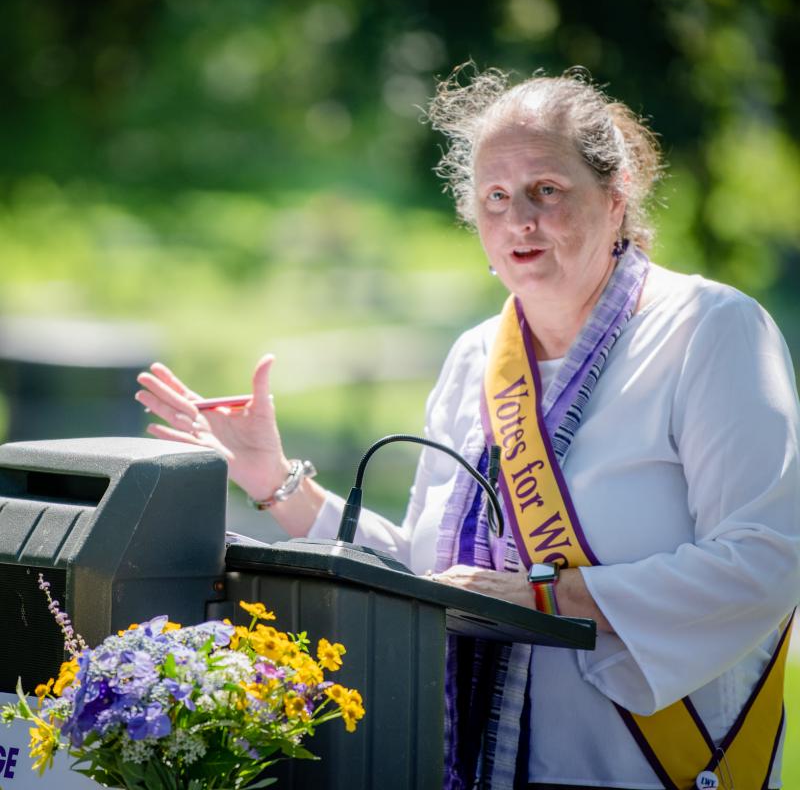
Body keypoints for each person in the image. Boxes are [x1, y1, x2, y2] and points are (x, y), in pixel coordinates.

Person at [135, 66, 800, 789]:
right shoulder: (476, 358)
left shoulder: (711, 330)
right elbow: (435, 578)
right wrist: (276, 481)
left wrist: (549, 596)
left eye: (548, 190)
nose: (521, 220)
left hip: (645, 770)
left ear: (616, 200)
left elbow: (767, 560)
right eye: (496, 198)